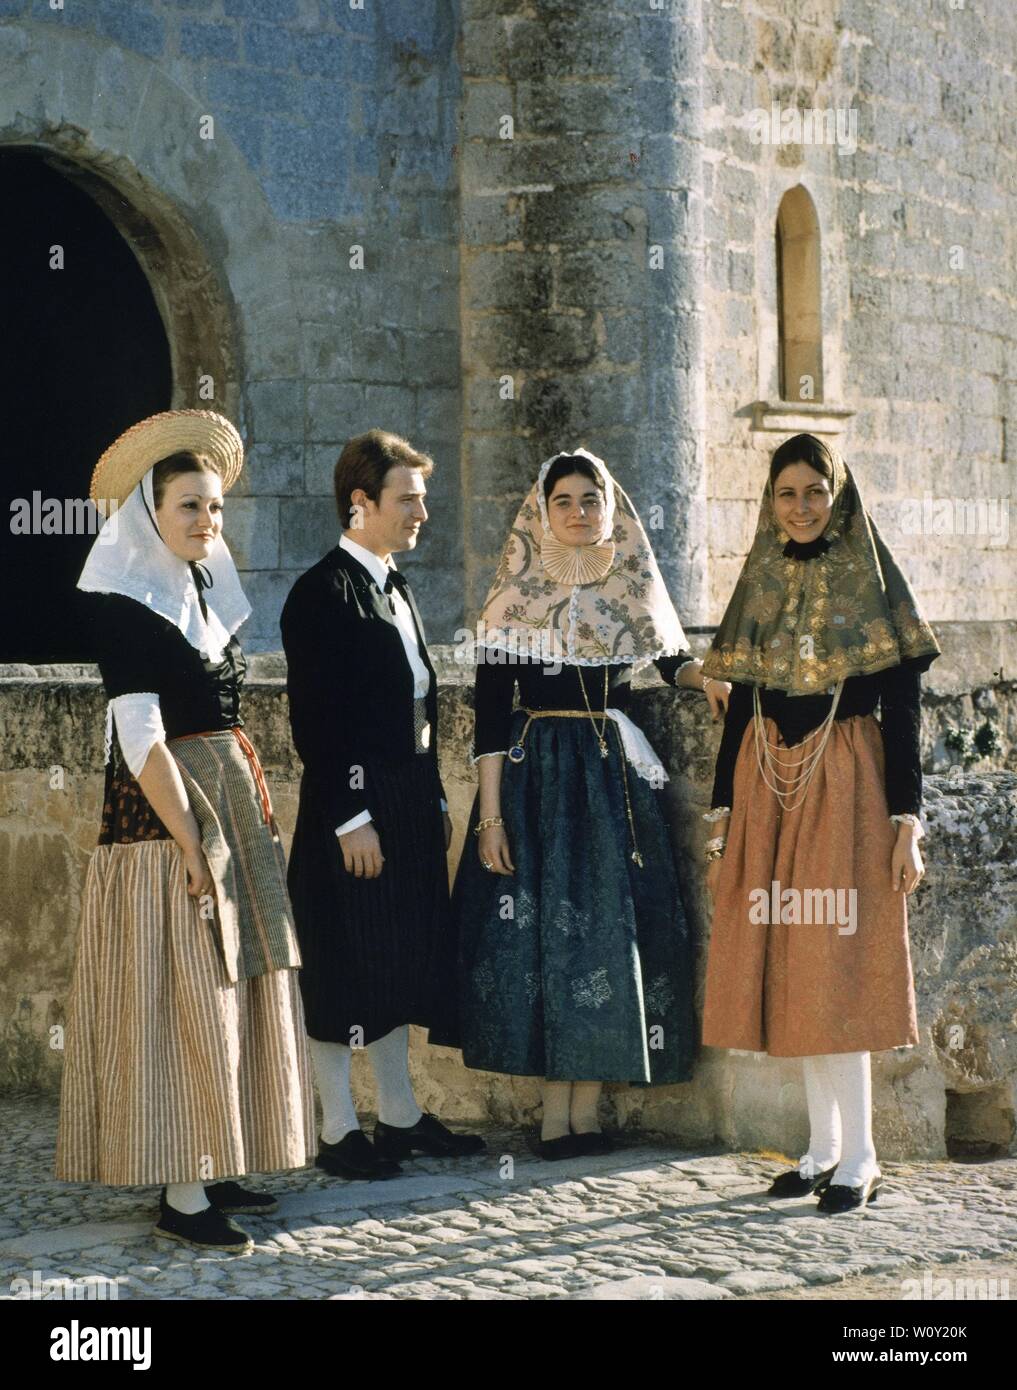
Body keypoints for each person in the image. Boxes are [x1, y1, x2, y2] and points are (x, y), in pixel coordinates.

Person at [56, 409, 315, 1253]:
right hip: (166, 817)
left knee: (233, 984)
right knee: (183, 992)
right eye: (189, 508)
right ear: (149, 514)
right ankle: (181, 1191)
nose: (209, 521)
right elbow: (141, 740)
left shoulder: (197, 587)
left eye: (215, 507)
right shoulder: (125, 606)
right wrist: (190, 841)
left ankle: (219, 1155)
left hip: (226, 805)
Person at [446, 448, 726, 1160]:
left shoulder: (630, 585)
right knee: (544, 936)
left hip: (610, 781)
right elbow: (485, 720)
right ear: (542, 510)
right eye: (564, 500)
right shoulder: (511, 599)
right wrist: (489, 817)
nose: (578, 513)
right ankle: (552, 1119)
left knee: (605, 931)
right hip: (536, 776)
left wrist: (708, 682)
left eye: (589, 500)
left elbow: (668, 658)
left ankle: (587, 1115)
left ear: (609, 507)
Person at [700, 432, 940, 1212]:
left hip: (846, 780)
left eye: (813, 492)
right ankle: (819, 1149)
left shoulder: (869, 583)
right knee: (790, 961)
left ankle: (861, 1156)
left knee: (835, 959)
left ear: (835, 497)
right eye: (785, 494)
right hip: (769, 781)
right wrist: (723, 812)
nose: (799, 508)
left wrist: (908, 817)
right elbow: (740, 700)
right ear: (769, 504)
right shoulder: (760, 579)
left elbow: (902, 707)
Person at [281, 429, 485, 1180]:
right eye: (408, 499)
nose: (421, 513)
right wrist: (348, 818)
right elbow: (315, 721)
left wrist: (429, 798)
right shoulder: (320, 592)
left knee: (397, 959)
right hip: (354, 806)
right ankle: (337, 1131)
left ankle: (398, 1118)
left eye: (422, 500)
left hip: (404, 797)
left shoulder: (394, 586)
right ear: (360, 502)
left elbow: (418, 706)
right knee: (341, 966)